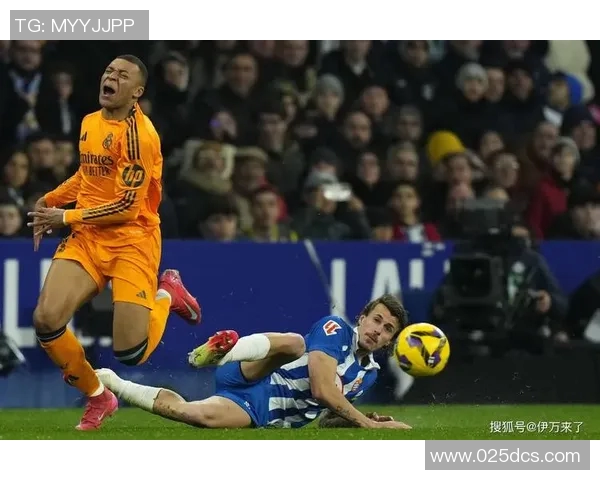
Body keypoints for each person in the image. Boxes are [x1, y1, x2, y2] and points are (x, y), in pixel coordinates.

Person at [26, 55, 201, 431]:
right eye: (109, 72)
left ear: (137, 92)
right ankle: (98, 396)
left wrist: (65, 217)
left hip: (132, 241)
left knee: (131, 352)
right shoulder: (91, 121)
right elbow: (87, 175)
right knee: (46, 320)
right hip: (89, 237)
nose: (112, 78)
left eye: (122, 76)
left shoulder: (140, 136)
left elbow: (126, 207)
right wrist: (51, 200)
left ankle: (167, 294)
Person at [97, 294, 412, 429]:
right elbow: (321, 389)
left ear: (389, 342)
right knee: (295, 344)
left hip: (262, 409)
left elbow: (325, 417)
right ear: (362, 317)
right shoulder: (337, 329)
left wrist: (358, 420)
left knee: (194, 414)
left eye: (387, 329)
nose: (377, 330)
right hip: (258, 373)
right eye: (376, 320)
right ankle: (224, 352)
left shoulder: (368, 374)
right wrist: (368, 425)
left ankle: (111, 381)